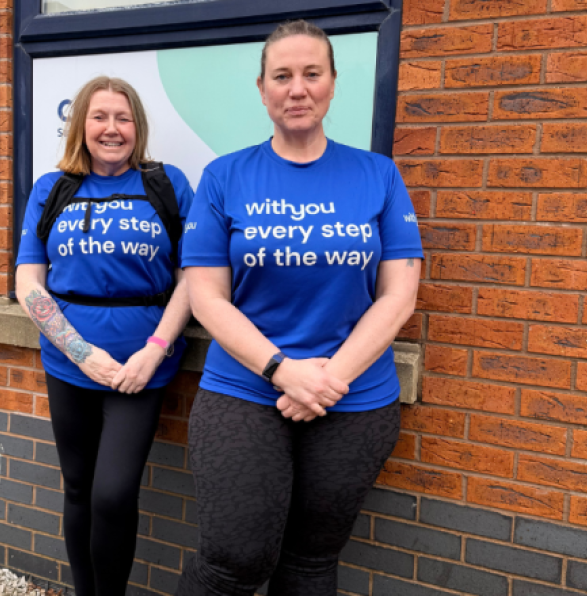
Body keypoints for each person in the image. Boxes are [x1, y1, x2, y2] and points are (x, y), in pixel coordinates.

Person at [177, 20, 423, 596]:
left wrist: (330, 379)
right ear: (262, 89)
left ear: (333, 84)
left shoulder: (378, 175)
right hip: (245, 389)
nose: (297, 88)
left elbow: (399, 294)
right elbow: (206, 296)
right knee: (231, 561)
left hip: (354, 396)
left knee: (312, 562)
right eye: (282, 76)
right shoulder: (224, 176)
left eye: (312, 74)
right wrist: (283, 370)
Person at [15, 76, 193, 596]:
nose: (111, 129)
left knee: (112, 494)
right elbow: (28, 281)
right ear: (81, 125)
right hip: (69, 365)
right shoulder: (54, 188)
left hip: (142, 368)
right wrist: (80, 351)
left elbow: (193, 279)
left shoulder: (166, 184)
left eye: (123, 118)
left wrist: (154, 352)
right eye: (99, 117)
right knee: (77, 488)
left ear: (137, 126)